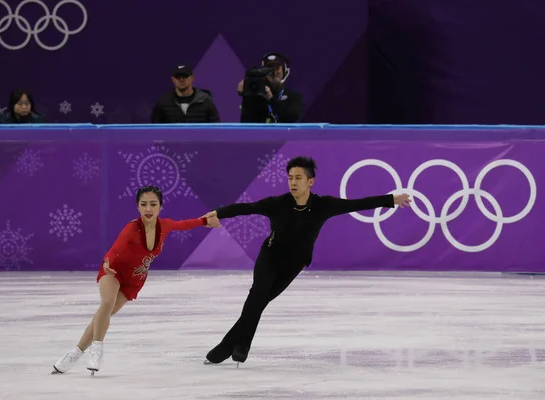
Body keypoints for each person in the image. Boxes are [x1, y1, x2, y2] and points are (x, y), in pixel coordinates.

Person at [202, 156, 411, 365]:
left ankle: (233, 344)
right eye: (290, 178)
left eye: (298, 178)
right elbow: (245, 208)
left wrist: (390, 199)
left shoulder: (323, 205)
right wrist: (219, 213)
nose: (293, 182)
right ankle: (237, 346)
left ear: (310, 181)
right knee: (257, 296)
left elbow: (356, 204)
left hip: (294, 264)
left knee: (260, 302)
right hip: (270, 256)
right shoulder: (277, 204)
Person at [52, 186, 220, 375]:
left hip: (134, 280)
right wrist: (107, 260)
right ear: (138, 207)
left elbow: (185, 224)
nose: (148, 209)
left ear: (160, 207)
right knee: (107, 303)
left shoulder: (165, 226)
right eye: (144, 204)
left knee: (103, 315)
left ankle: (74, 354)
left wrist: (205, 220)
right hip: (113, 271)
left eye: (153, 204)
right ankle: (96, 350)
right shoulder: (131, 228)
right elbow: (116, 247)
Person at [238, 53, 303, 123]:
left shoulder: (294, 97)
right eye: (269, 68)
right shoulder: (258, 98)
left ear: (284, 71)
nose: (274, 72)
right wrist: (246, 97)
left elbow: (292, 118)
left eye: (277, 68)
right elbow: (247, 124)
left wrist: (271, 100)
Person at [150, 64, 220, 123]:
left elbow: (216, 129)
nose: (181, 80)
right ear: (173, 79)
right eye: (178, 77)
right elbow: (155, 131)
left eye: (185, 76)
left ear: (192, 78)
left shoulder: (205, 101)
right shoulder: (163, 103)